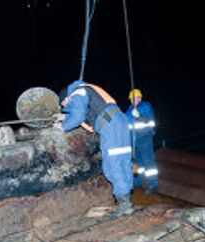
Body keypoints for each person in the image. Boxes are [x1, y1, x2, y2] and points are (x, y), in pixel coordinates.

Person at [58, 80, 134, 216]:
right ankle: (127, 199)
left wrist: (60, 128)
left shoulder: (77, 93)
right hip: (120, 121)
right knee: (124, 161)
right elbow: (87, 122)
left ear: (66, 98)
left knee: (113, 164)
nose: (66, 106)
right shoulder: (87, 90)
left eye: (64, 105)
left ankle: (124, 204)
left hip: (109, 124)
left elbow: (76, 117)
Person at [126, 88, 158, 193]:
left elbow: (151, 122)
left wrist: (139, 116)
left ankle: (152, 185)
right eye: (131, 98)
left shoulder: (145, 106)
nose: (133, 100)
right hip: (133, 141)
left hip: (145, 138)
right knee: (137, 163)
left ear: (140, 97)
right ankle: (137, 183)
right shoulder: (129, 110)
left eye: (135, 98)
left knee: (148, 162)